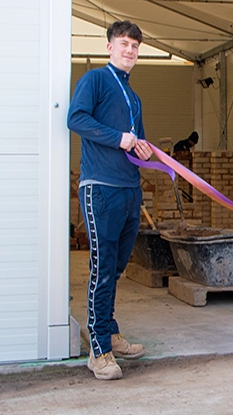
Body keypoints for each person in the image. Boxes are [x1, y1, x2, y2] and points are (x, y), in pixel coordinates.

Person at [68, 20, 153, 380]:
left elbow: (138, 144)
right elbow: (76, 119)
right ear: (109, 47)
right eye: (123, 44)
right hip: (100, 187)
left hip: (129, 189)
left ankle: (109, 329)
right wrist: (117, 138)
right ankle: (98, 350)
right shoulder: (95, 81)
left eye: (135, 46)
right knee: (102, 271)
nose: (129, 51)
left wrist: (146, 151)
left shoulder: (133, 97)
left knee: (116, 267)